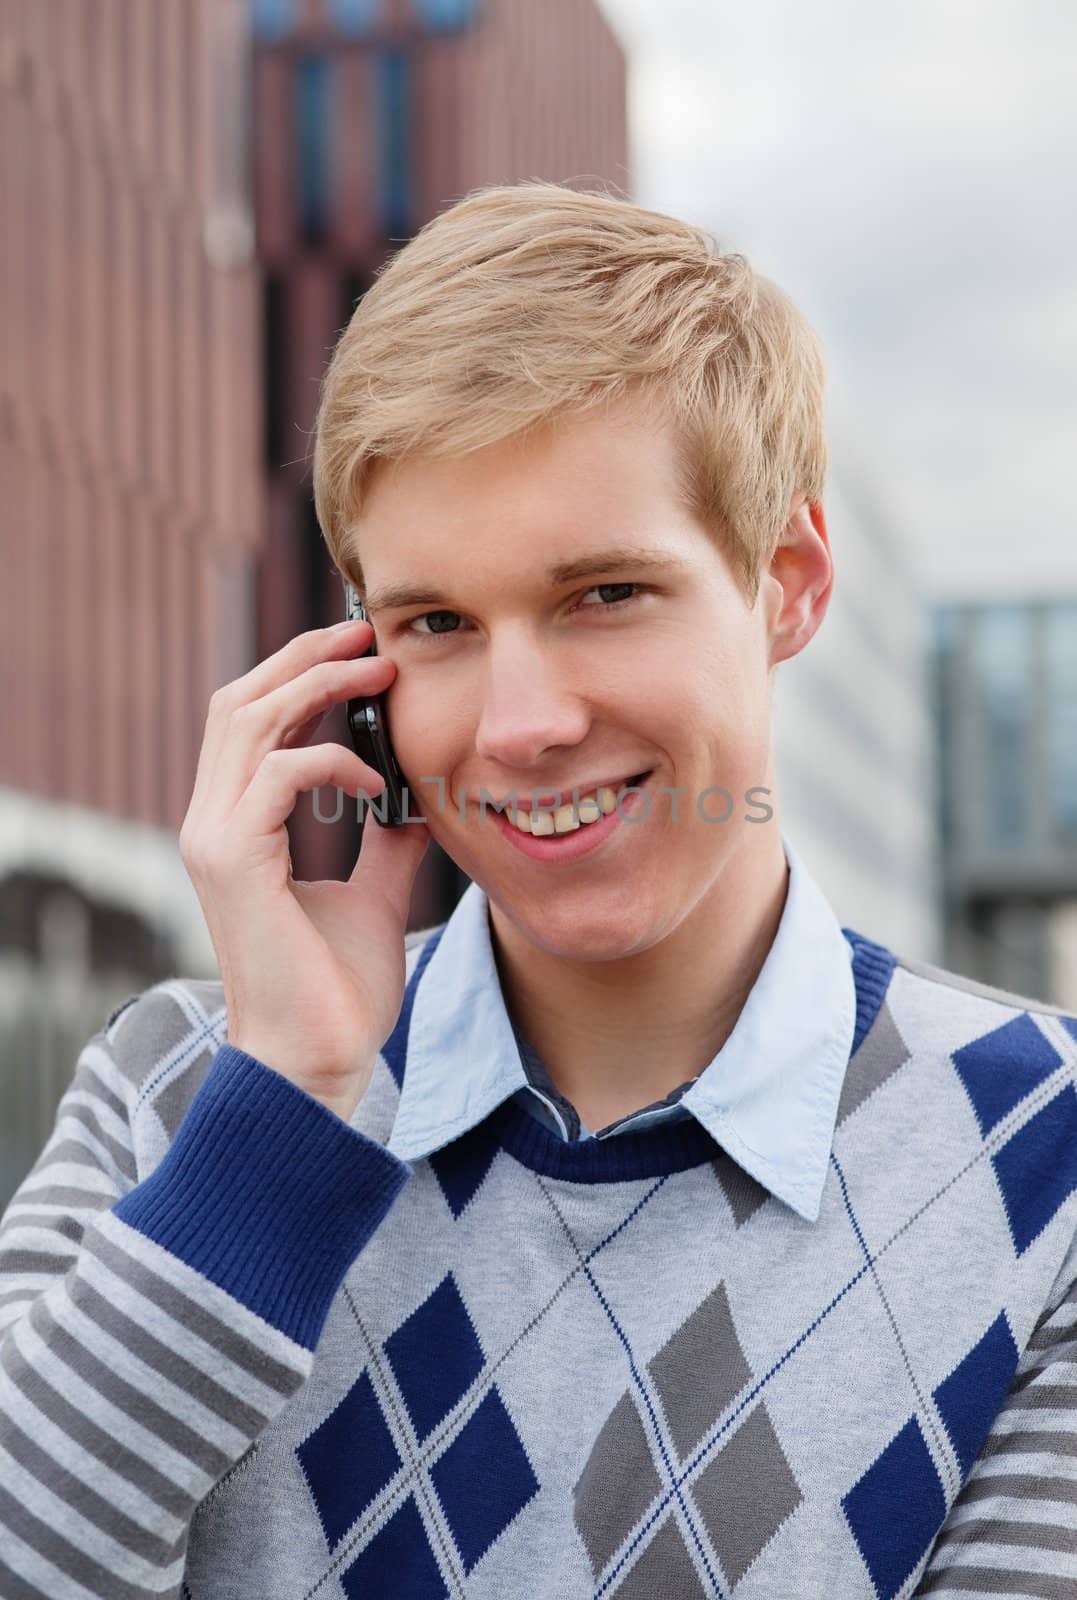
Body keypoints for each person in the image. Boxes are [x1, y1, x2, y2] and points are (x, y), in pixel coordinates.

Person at [2, 180, 1076, 1600]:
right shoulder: (179, 1097)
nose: (518, 724)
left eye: (604, 594)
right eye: (435, 622)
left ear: (790, 585)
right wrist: (285, 1112)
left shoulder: (1043, 1157)